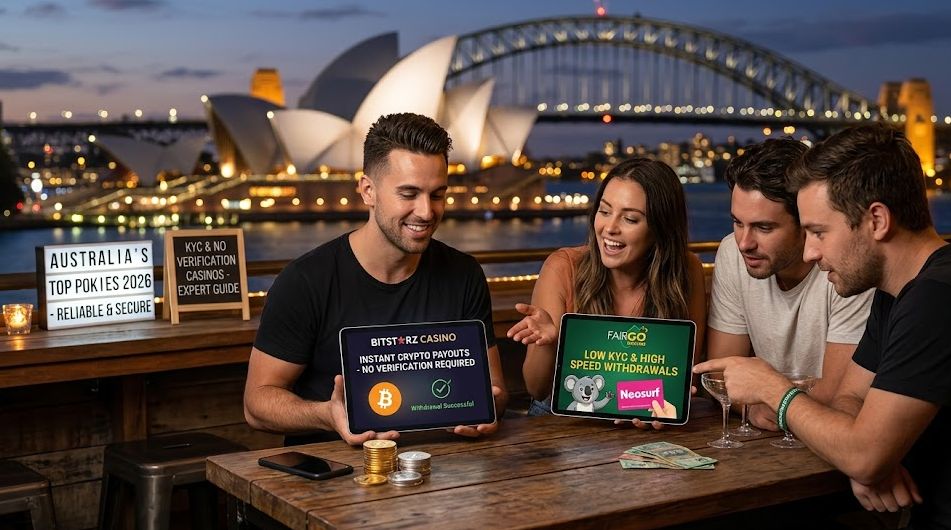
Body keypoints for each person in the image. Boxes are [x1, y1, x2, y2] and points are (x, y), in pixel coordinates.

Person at [695, 123, 949, 527]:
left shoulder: (937, 298)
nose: (810, 252)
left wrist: (771, 387)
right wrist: (855, 453)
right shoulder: (894, 292)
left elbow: (863, 452)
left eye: (818, 232)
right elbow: (849, 411)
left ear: (877, 221)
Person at [244, 113, 508, 446]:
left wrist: (488, 411)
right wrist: (328, 414)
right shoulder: (305, 280)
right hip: (336, 474)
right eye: (409, 194)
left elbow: (496, 391)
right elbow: (256, 405)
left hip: (447, 470)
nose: (427, 212)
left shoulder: (464, 273)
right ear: (368, 191)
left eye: (437, 194)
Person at [507, 158, 707, 427]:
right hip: (562, 424)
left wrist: (650, 404)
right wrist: (552, 343)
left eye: (630, 218)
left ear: (661, 228)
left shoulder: (687, 269)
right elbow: (536, 388)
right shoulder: (563, 267)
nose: (609, 228)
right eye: (604, 211)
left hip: (644, 430)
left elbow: (683, 380)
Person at [706, 138, 872, 430]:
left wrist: (763, 395)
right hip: (772, 439)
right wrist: (750, 408)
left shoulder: (847, 267)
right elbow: (721, 377)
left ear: (805, 224)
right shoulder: (732, 252)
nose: (745, 243)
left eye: (764, 227)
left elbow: (838, 395)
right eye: (737, 222)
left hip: (833, 439)